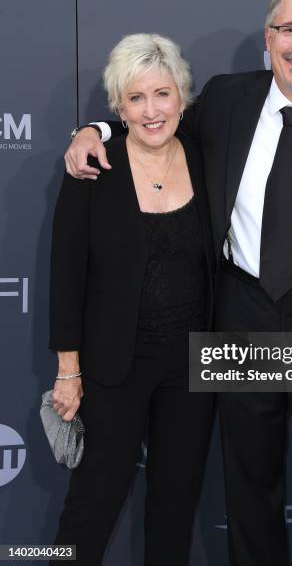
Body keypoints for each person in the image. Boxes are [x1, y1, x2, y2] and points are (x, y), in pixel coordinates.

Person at [64, 0, 292, 566]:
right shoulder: (228, 100)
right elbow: (155, 120)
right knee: (250, 493)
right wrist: (95, 129)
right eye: (290, 29)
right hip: (240, 314)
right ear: (269, 35)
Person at [49, 33, 215, 566]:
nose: (151, 111)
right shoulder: (92, 168)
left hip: (193, 367)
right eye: (135, 98)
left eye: (162, 94)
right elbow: (66, 274)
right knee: (91, 507)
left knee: (174, 506)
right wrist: (68, 369)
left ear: (182, 98)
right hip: (115, 366)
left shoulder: (209, 155)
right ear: (118, 107)